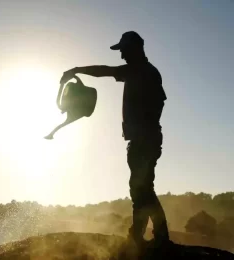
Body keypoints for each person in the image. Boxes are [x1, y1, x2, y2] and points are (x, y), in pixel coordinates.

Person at [60, 31, 171, 251]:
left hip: (144, 139)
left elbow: (106, 71)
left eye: (123, 50)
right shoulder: (144, 71)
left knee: (141, 188)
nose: (121, 55)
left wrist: (77, 70)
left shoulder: (140, 70)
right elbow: (160, 101)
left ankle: (152, 237)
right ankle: (150, 236)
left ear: (135, 48)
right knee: (142, 188)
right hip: (145, 138)